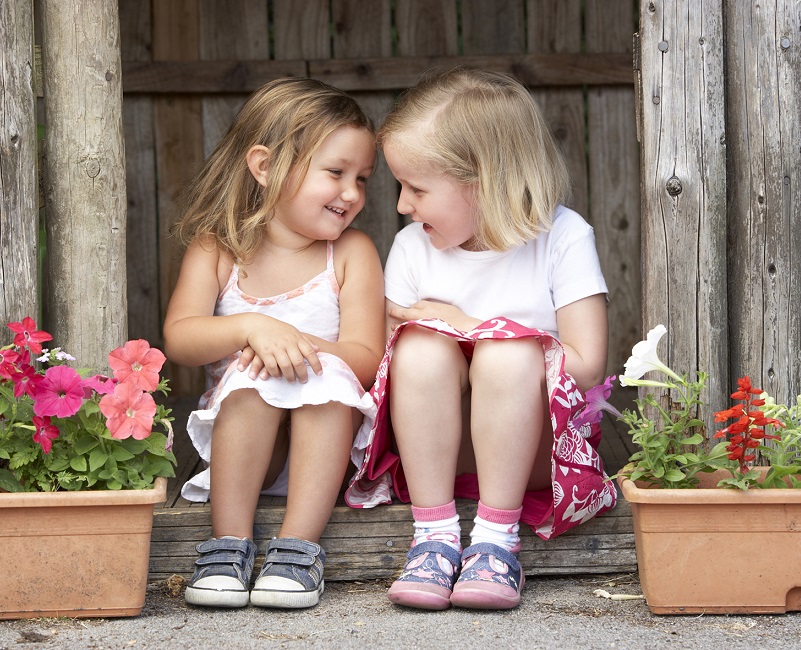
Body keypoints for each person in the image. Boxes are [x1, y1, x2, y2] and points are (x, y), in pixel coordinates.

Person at [344, 68, 617, 611]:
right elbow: (384, 368)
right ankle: (435, 539)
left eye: (417, 188)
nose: (401, 204)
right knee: (419, 346)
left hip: (535, 455)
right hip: (436, 457)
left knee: (508, 353)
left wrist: (473, 330)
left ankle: (495, 543)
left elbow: (585, 365)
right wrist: (422, 332)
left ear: (484, 180)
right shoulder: (411, 249)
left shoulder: (562, 237)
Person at [163, 78, 385, 610]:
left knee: (328, 383)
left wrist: (299, 344)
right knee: (252, 381)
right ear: (264, 167)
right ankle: (226, 546)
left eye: (362, 178)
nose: (352, 193)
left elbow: (365, 358)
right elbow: (180, 338)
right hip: (243, 452)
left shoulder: (352, 252)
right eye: (335, 173)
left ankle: (297, 552)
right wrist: (252, 329)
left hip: (323, 453)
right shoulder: (217, 247)